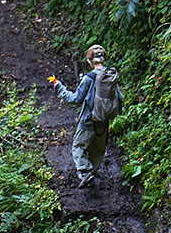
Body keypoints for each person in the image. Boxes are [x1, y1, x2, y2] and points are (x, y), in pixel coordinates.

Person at [49, 43, 122, 189]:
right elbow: (119, 98)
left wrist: (59, 87)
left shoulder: (89, 78)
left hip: (88, 120)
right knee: (98, 149)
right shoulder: (111, 75)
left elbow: (75, 99)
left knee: (78, 146)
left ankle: (85, 172)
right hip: (104, 120)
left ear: (90, 60)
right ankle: (92, 173)